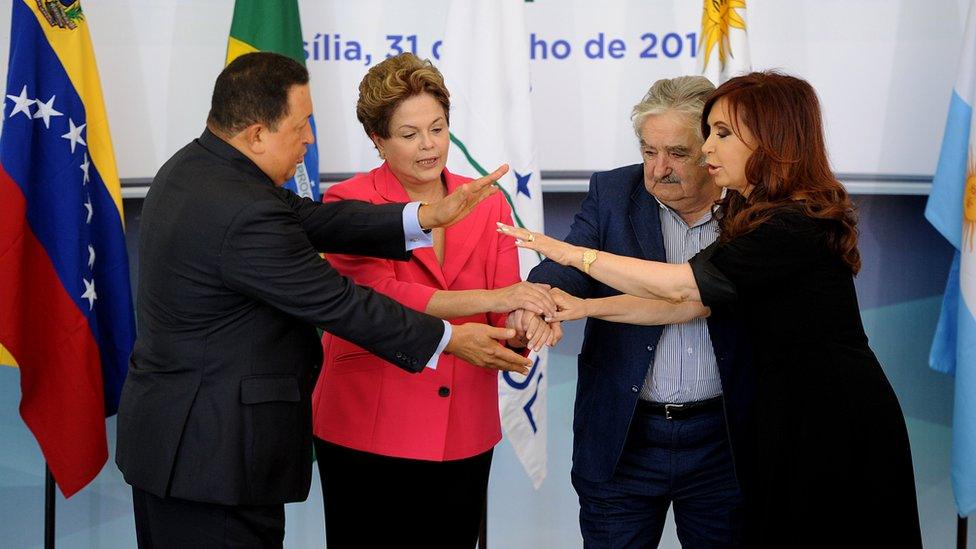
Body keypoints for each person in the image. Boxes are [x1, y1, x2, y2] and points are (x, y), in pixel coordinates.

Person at [115, 51, 533, 548]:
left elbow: (318, 221)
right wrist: (449, 339)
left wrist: (424, 218)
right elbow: (343, 304)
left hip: (191, 444)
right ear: (256, 134)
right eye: (301, 125)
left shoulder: (204, 169)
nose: (309, 138)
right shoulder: (241, 209)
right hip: (212, 456)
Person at [500, 71, 922, 547]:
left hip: (811, 427)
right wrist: (570, 305)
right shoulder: (636, 196)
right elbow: (683, 307)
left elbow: (684, 289)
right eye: (648, 150)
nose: (667, 165)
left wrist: (560, 250)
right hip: (650, 438)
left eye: (707, 141)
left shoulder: (779, 219)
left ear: (766, 142)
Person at [310, 52, 560, 549]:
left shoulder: (484, 198)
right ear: (377, 140)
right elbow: (382, 298)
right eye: (409, 134)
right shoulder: (347, 204)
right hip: (367, 428)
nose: (429, 146)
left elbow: (502, 309)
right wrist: (500, 297)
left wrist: (526, 318)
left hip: (463, 429)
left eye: (438, 127)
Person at [527, 76, 753, 548]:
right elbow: (570, 263)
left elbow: (686, 301)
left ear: (711, 150)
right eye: (649, 152)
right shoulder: (614, 192)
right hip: (625, 437)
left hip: (725, 441)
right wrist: (538, 300)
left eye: (676, 153)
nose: (658, 169)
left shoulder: (752, 209)